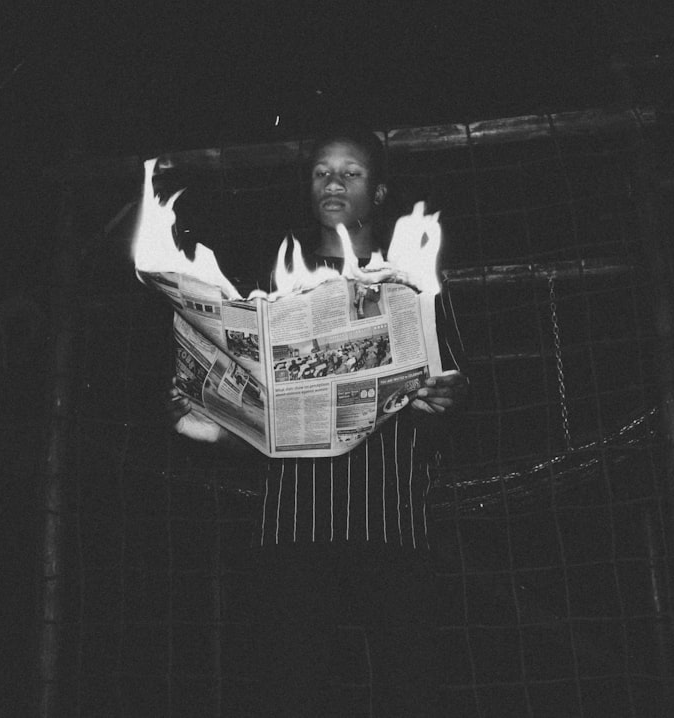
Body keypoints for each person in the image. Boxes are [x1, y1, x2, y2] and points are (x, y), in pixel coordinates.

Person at [167, 123, 468, 716]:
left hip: (390, 515)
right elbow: (251, 422)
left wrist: (446, 400)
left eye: (351, 172)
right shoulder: (273, 283)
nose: (334, 181)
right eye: (321, 171)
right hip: (293, 521)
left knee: (410, 691)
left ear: (378, 192)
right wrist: (208, 415)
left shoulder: (411, 278)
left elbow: (451, 392)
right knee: (290, 692)